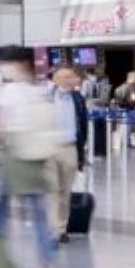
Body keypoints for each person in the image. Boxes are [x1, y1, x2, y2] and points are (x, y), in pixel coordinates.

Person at [0, 48, 65, 268]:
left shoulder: (3, 92)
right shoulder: (40, 91)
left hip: (12, 159)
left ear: (17, 64)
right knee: (40, 218)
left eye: (3, 63)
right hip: (36, 160)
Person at [47, 67, 88, 244]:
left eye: (73, 76)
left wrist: (82, 148)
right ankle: (52, 229)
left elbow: (83, 123)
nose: (73, 79)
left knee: (65, 191)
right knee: (52, 190)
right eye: (68, 77)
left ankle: (62, 228)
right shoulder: (46, 97)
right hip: (49, 148)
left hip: (70, 147)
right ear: (57, 79)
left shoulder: (77, 98)